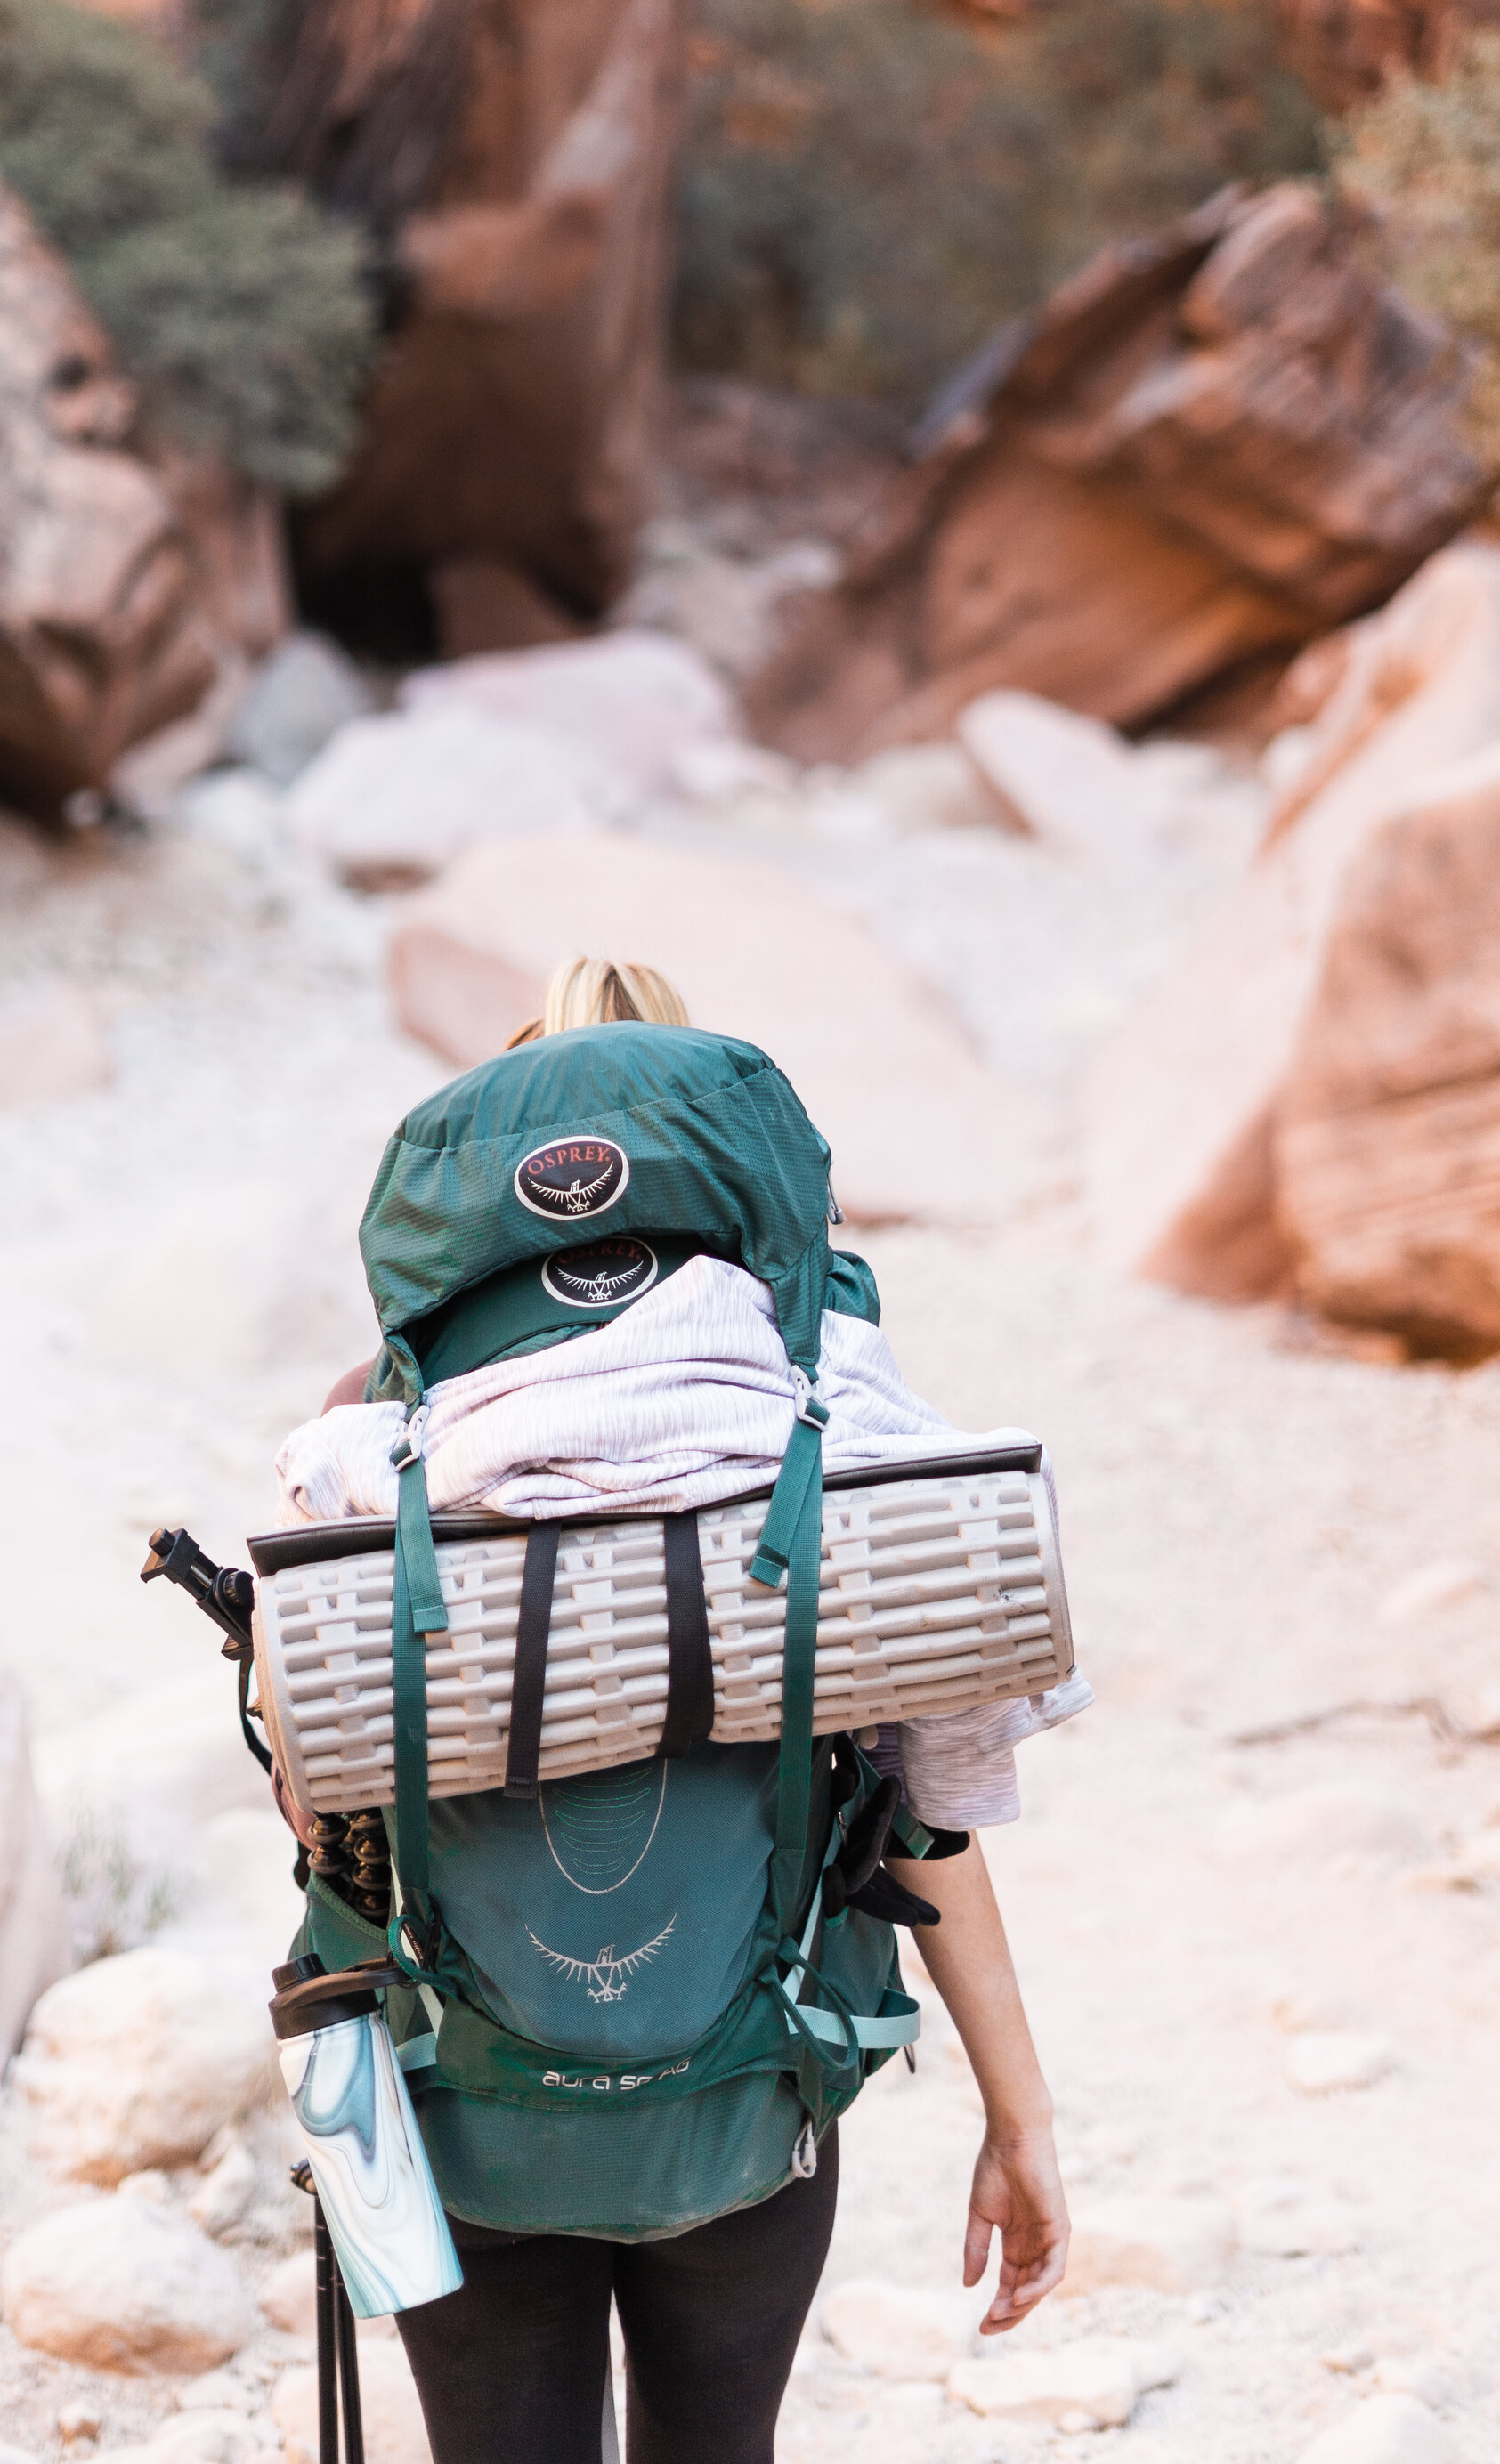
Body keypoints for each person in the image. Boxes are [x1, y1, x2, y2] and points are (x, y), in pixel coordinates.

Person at [303, 956, 1070, 2464]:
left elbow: (320, 1796)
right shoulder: (822, 1394)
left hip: (463, 2110)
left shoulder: (377, 1422)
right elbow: (934, 1815)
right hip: (745, 2099)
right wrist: (1020, 2115)